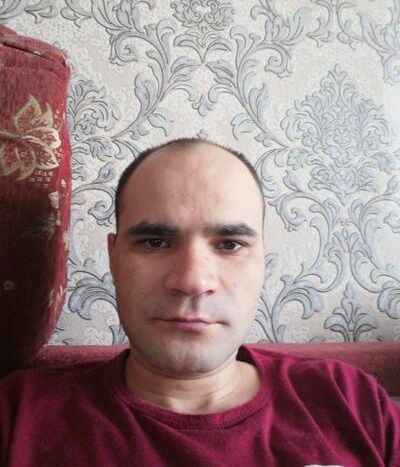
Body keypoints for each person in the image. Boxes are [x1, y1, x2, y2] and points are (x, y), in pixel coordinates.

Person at [1, 138, 399, 467]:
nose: (192, 281)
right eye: (155, 242)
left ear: (263, 261)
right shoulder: (16, 416)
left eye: (230, 244)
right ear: (113, 257)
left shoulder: (349, 400)